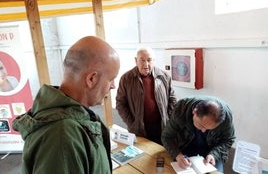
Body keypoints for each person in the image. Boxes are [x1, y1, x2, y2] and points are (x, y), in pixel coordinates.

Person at [12, 36, 120, 174]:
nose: (113, 86)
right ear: (91, 79)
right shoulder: (62, 137)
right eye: (111, 79)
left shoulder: (73, 121)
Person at [116, 47, 177, 145]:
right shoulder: (126, 79)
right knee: (141, 154)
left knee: (161, 153)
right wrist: (132, 123)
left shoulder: (164, 77)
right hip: (139, 127)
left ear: (154, 61)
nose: (146, 64)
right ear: (136, 61)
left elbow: (172, 100)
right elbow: (120, 103)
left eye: (149, 60)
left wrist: (168, 119)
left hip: (161, 126)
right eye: (142, 60)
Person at [161, 95, 236, 173]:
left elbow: (228, 140)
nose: (203, 131)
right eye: (202, 125)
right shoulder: (182, 108)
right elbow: (166, 137)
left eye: (209, 129)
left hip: (212, 148)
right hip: (186, 144)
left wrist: (214, 154)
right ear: (195, 112)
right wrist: (178, 155)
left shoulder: (226, 117)